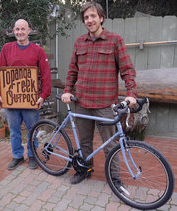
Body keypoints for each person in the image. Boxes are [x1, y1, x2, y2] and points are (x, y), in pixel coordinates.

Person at [61, 2, 137, 184]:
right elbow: (72, 71)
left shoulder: (115, 40)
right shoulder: (80, 42)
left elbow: (127, 69)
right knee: (85, 142)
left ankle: (115, 179)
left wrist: (131, 93)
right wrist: (67, 91)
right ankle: (85, 170)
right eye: (86, 17)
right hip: (82, 103)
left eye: (93, 16)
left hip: (105, 104)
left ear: (101, 18)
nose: (90, 20)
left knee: (111, 144)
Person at [0, 19, 51, 170]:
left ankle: (32, 156)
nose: (20, 32)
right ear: (14, 31)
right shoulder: (6, 48)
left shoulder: (38, 51)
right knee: (14, 131)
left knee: (32, 129)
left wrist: (43, 95)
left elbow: (45, 75)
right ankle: (17, 156)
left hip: (30, 99)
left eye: (22, 29)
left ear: (28, 30)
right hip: (10, 99)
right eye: (17, 29)